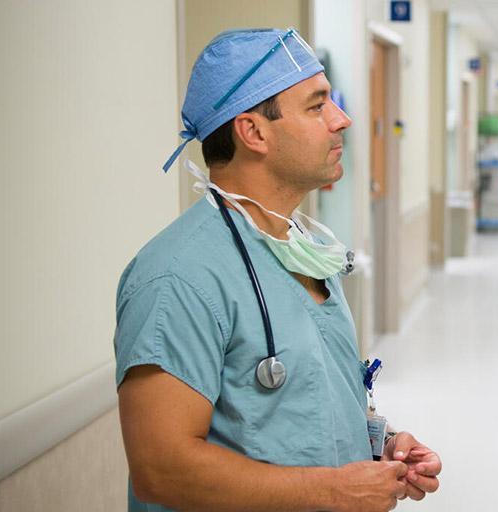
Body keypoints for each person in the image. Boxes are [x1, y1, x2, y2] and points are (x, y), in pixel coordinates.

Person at [114, 28, 440, 512]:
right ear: (253, 132)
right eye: (317, 106)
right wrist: (334, 490)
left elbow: (301, 408)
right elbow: (162, 471)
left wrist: (380, 444)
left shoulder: (303, 251)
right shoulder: (178, 278)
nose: (343, 119)